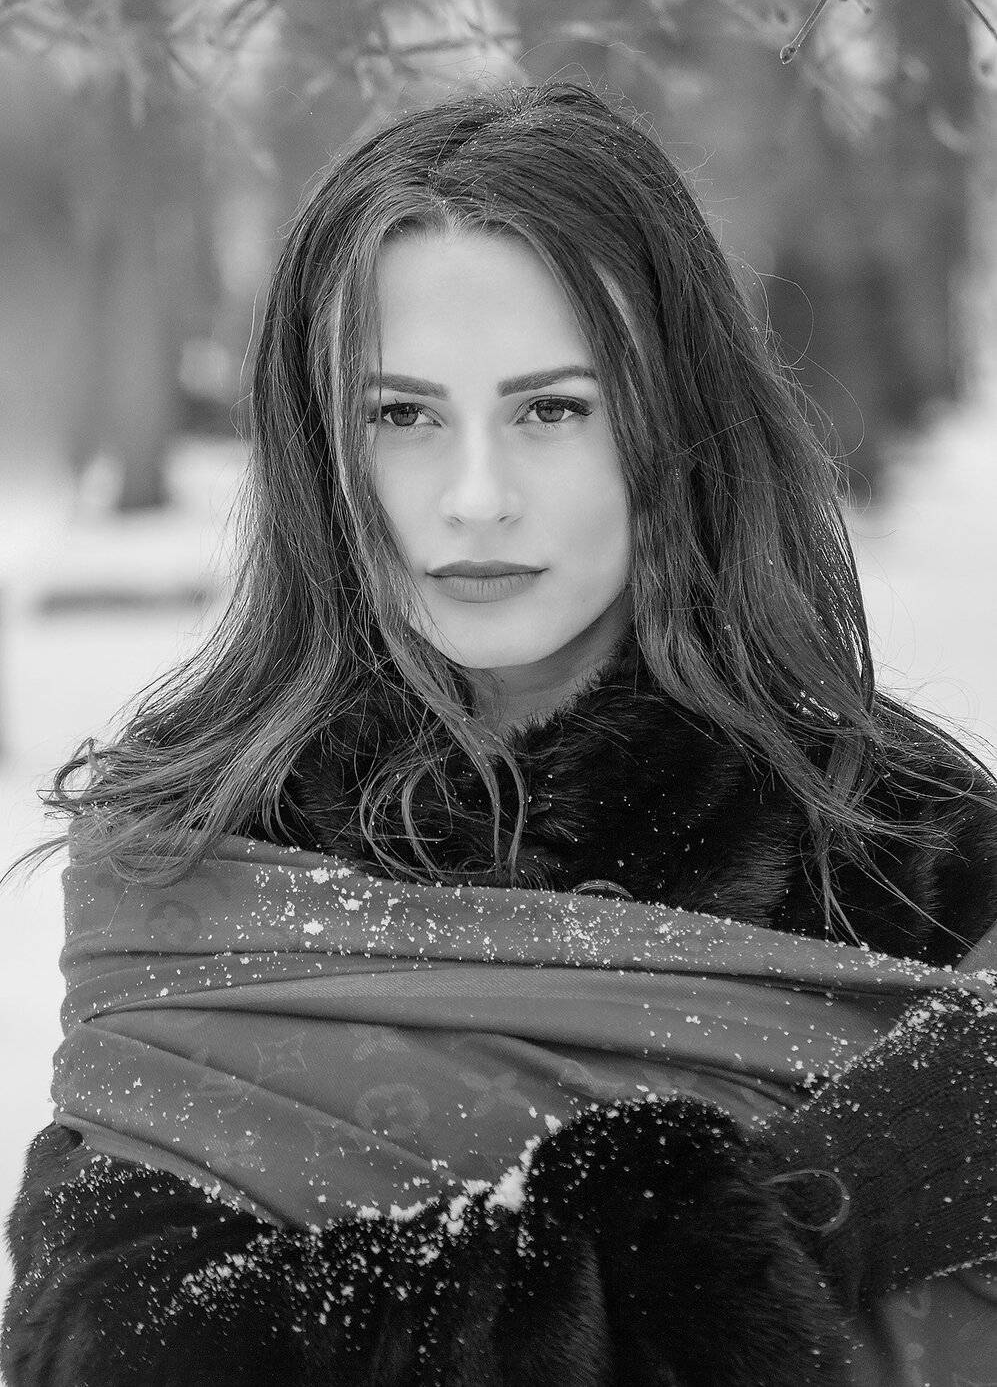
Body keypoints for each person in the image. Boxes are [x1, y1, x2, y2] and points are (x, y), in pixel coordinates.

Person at [3, 79, 996, 1386]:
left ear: (675, 426)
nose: (475, 498)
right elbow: (115, 1349)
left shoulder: (897, 844)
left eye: (552, 409)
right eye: (401, 414)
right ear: (318, 449)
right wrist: (779, 1225)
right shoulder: (198, 854)